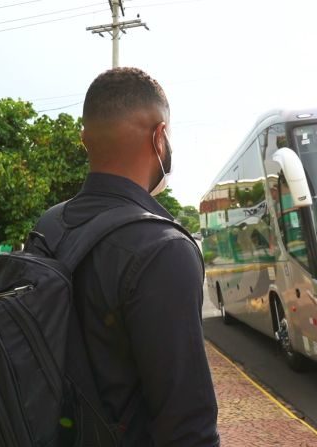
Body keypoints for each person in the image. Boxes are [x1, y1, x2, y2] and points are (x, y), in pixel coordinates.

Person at [68, 67, 219, 446]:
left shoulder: (49, 226)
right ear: (160, 137)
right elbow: (188, 427)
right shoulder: (163, 249)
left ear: (85, 140)